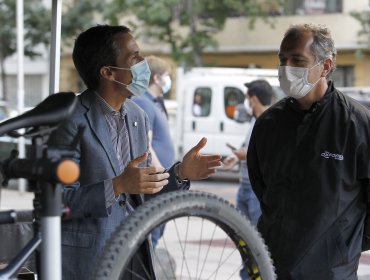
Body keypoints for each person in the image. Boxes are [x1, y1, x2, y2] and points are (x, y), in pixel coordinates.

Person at [48, 24, 222, 280]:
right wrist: (117, 185)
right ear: (108, 72)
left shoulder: (137, 117)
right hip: (89, 261)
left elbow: (145, 192)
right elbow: (58, 200)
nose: (143, 63)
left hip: (133, 255)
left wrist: (181, 172)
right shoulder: (70, 119)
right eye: (134, 57)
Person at [247, 23, 370, 280]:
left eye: (297, 60)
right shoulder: (268, 124)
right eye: (283, 59)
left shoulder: (356, 123)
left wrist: (344, 246)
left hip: (332, 272)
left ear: (325, 66)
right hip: (273, 266)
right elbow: (262, 187)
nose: (286, 67)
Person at [223, 80, 273, 280]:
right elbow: (247, 147)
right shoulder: (254, 121)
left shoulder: (271, 121)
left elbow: (269, 154)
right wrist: (235, 156)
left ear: (253, 99)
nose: (246, 103)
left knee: (257, 241)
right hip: (244, 188)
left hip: (256, 191)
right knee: (243, 238)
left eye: (247, 99)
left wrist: (247, 154)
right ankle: (248, 275)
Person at [131, 55, 175, 248]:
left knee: (157, 231)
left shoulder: (155, 102)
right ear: (157, 78)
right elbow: (145, 142)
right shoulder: (143, 102)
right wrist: (159, 170)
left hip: (160, 179)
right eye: (166, 76)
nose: (168, 81)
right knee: (151, 235)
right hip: (155, 180)